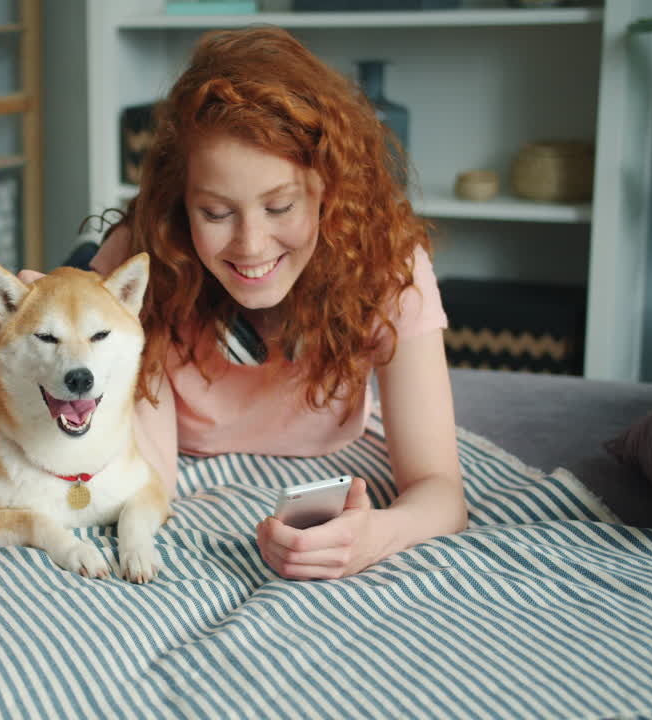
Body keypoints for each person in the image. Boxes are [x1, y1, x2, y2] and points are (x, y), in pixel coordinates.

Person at [89, 27, 468, 580]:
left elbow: (441, 490)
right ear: (181, 205)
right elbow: (147, 482)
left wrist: (376, 536)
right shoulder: (147, 259)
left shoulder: (390, 266)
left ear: (328, 191)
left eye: (281, 206)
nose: (251, 245)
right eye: (216, 213)